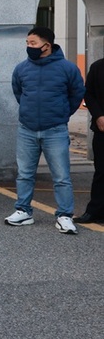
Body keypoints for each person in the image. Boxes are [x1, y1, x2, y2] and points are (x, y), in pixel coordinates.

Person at [8, 27, 85, 234]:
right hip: (27, 129)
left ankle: (64, 215)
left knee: (61, 177)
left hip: (55, 130)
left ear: (47, 45)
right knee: (24, 174)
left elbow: (77, 94)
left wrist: (61, 114)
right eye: (27, 43)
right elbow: (18, 92)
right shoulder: (21, 68)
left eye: (33, 43)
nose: (29, 47)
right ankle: (23, 211)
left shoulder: (68, 68)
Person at [76, 55, 104, 224]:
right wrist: (99, 116)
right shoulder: (98, 67)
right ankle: (95, 211)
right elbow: (89, 93)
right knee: (101, 171)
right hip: (102, 129)